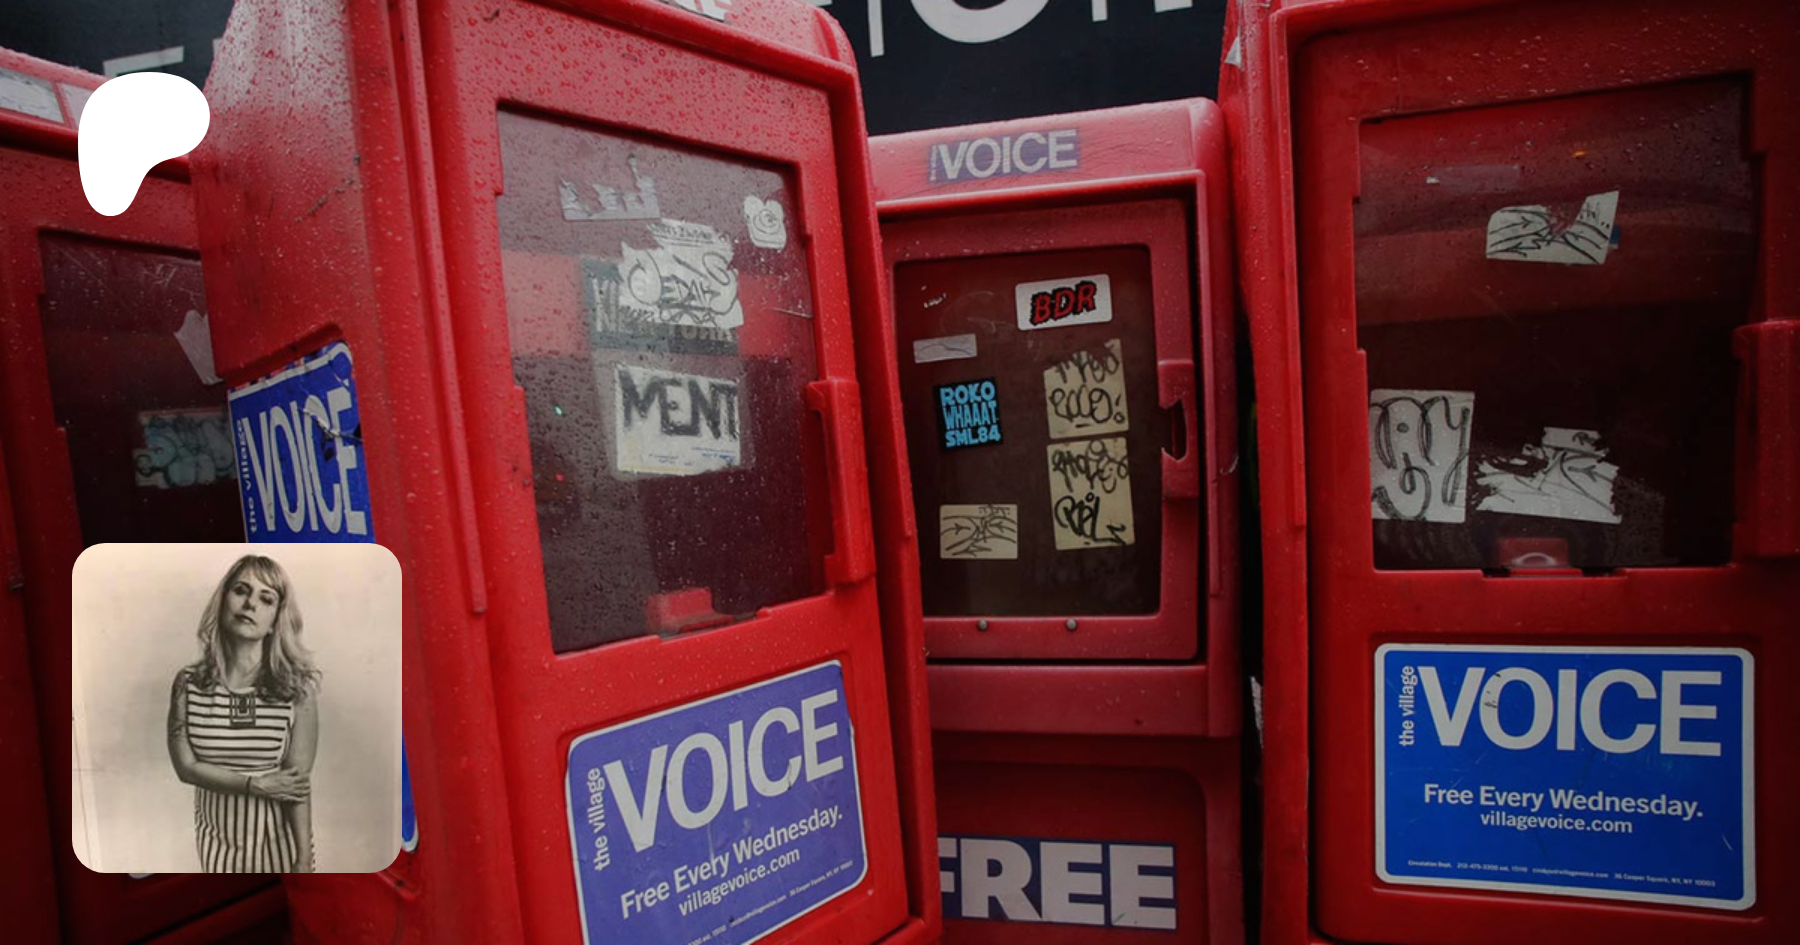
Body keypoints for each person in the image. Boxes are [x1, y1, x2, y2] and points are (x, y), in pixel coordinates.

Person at [166, 554, 321, 872]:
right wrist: (254, 784)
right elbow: (186, 768)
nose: (250, 604)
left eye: (266, 599)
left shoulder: (297, 689)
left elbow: (296, 787)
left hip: (279, 851)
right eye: (241, 590)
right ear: (223, 600)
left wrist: (303, 861)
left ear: (275, 620)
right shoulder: (188, 683)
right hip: (215, 850)